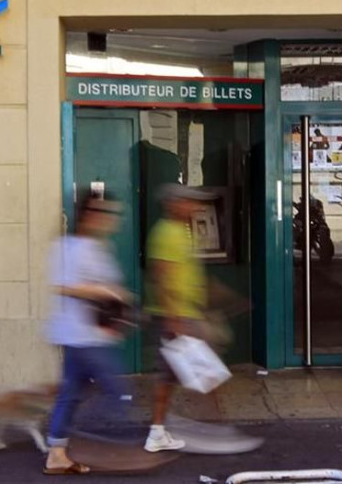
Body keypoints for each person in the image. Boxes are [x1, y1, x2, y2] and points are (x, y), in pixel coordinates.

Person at [43, 192, 132, 475]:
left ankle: (57, 453)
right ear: (90, 215)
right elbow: (64, 286)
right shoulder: (72, 247)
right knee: (117, 393)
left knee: (70, 394)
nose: (109, 221)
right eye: (104, 214)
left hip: (85, 334)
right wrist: (107, 291)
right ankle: (97, 443)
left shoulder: (91, 246)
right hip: (84, 336)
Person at [143, 184, 210, 453]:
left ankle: (158, 431)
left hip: (184, 313)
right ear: (174, 204)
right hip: (176, 316)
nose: (194, 207)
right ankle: (217, 430)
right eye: (189, 202)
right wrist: (173, 320)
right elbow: (162, 277)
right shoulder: (168, 233)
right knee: (192, 373)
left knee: (171, 376)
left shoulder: (179, 232)